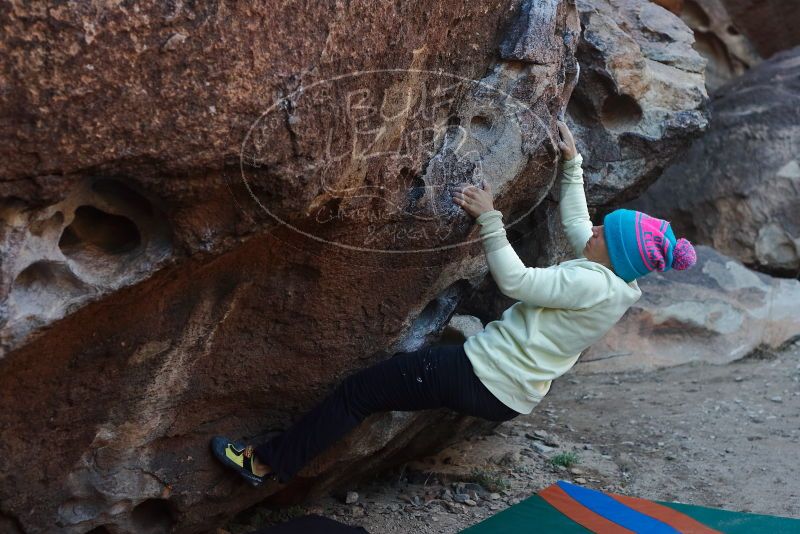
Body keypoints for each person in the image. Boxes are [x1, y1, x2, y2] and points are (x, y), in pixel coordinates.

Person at [210, 121, 697, 487]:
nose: (593, 229)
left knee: (358, 394)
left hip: (481, 375)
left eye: (602, 234)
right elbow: (578, 226)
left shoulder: (588, 282)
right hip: (503, 390)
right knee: (384, 388)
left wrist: (489, 218)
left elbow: (515, 280)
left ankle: (265, 463)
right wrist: (573, 166)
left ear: (613, 253)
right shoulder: (615, 281)